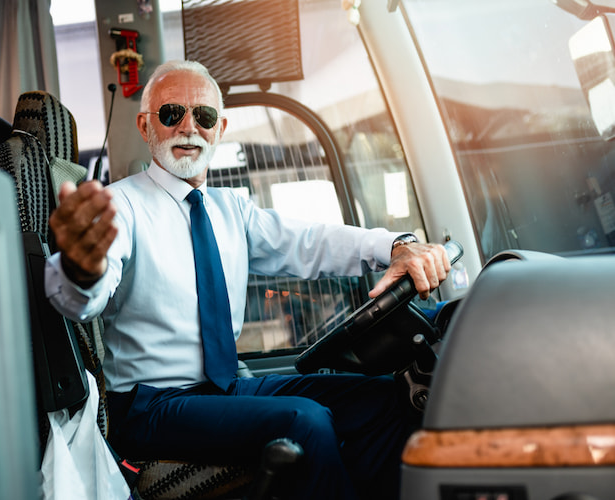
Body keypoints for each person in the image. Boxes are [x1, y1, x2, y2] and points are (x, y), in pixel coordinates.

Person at [45, 60, 450, 499]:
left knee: (387, 401)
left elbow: (310, 241)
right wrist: (82, 269)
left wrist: (396, 245)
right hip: (150, 404)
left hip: (226, 387)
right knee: (305, 421)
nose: (188, 127)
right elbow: (84, 295)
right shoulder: (120, 207)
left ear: (219, 128)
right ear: (146, 126)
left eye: (202, 117)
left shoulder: (230, 209)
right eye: (170, 114)